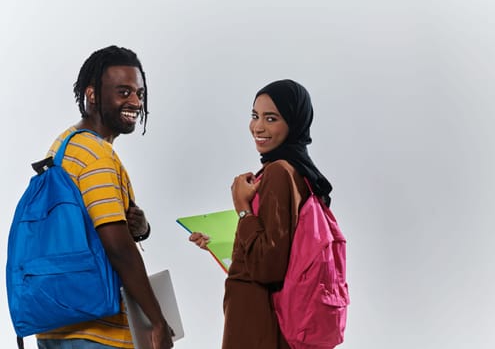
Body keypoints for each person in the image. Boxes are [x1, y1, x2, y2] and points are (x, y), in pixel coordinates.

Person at [36, 46, 173, 349]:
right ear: (92, 95)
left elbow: (82, 226)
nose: (135, 102)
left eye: (139, 93)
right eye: (123, 92)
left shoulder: (64, 145)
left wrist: (139, 228)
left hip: (56, 325)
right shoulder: (98, 156)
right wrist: (157, 321)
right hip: (100, 333)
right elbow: (118, 248)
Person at [190, 79, 333, 348]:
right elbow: (281, 250)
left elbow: (268, 268)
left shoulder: (279, 172)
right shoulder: (297, 172)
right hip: (265, 321)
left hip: (260, 325)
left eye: (271, 118)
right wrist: (222, 245)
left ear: (294, 123)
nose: (258, 127)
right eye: (255, 116)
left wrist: (242, 208)